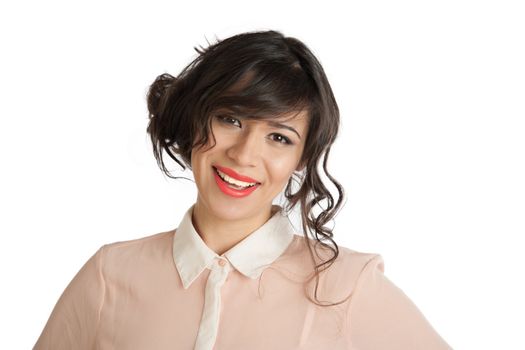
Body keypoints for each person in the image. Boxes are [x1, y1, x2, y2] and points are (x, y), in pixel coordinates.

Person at [34, 30, 452, 350]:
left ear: (302, 159)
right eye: (230, 119)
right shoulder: (110, 276)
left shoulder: (346, 287)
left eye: (279, 138)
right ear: (195, 118)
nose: (244, 154)